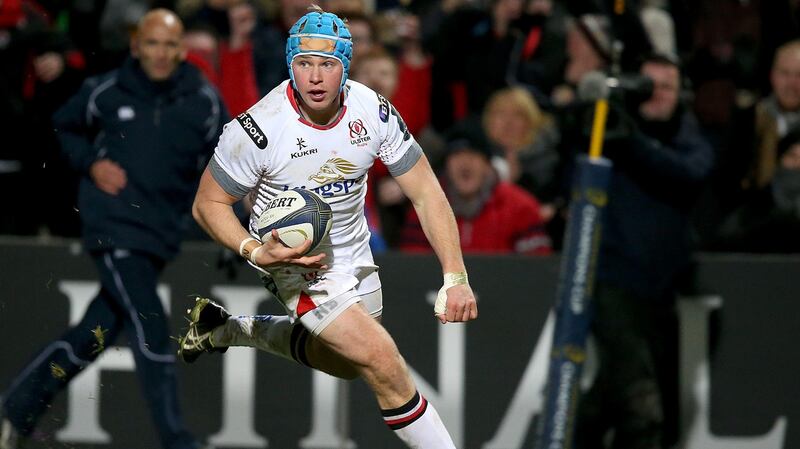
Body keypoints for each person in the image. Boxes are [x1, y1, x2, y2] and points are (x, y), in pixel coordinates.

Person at [177, 7, 477, 448]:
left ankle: (229, 329)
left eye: (327, 65)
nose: (315, 77)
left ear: (345, 67)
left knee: (344, 362)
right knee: (383, 361)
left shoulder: (372, 109)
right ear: (290, 65)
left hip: (354, 254)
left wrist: (455, 276)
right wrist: (254, 250)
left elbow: (427, 192)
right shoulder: (258, 128)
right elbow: (207, 204)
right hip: (293, 263)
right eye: (304, 64)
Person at [0, 9, 227, 449]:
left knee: (92, 335)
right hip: (115, 228)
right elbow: (63, 127)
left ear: (182, 50)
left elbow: (227, 159)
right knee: (151, 326)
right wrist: (91, 163)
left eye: (169, 45)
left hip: (160, 234)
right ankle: (177, 441)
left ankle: (15, 411)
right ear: (136, 44)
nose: (160, 54)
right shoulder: (104, 91)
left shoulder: (204, 100)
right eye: (152, 43)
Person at [570, 54, 714, 449]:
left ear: (680, 93)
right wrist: (592, 99)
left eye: (666, 87)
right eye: (648, 86)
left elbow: (690, 174)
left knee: (609, 397)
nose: (657, 95)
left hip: (662, 292)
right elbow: (572, 142)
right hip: (612, 283)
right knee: (642, 407)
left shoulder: (686, 136)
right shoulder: (602, 129)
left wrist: (632, 139)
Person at [400, 124, 552, 255]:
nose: (465, 163)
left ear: (487, 164)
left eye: (473, 155)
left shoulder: (521, 208)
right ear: (446, 165)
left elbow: (536, 271)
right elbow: (413, 268)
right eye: (457, 155)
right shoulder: (425, 206)